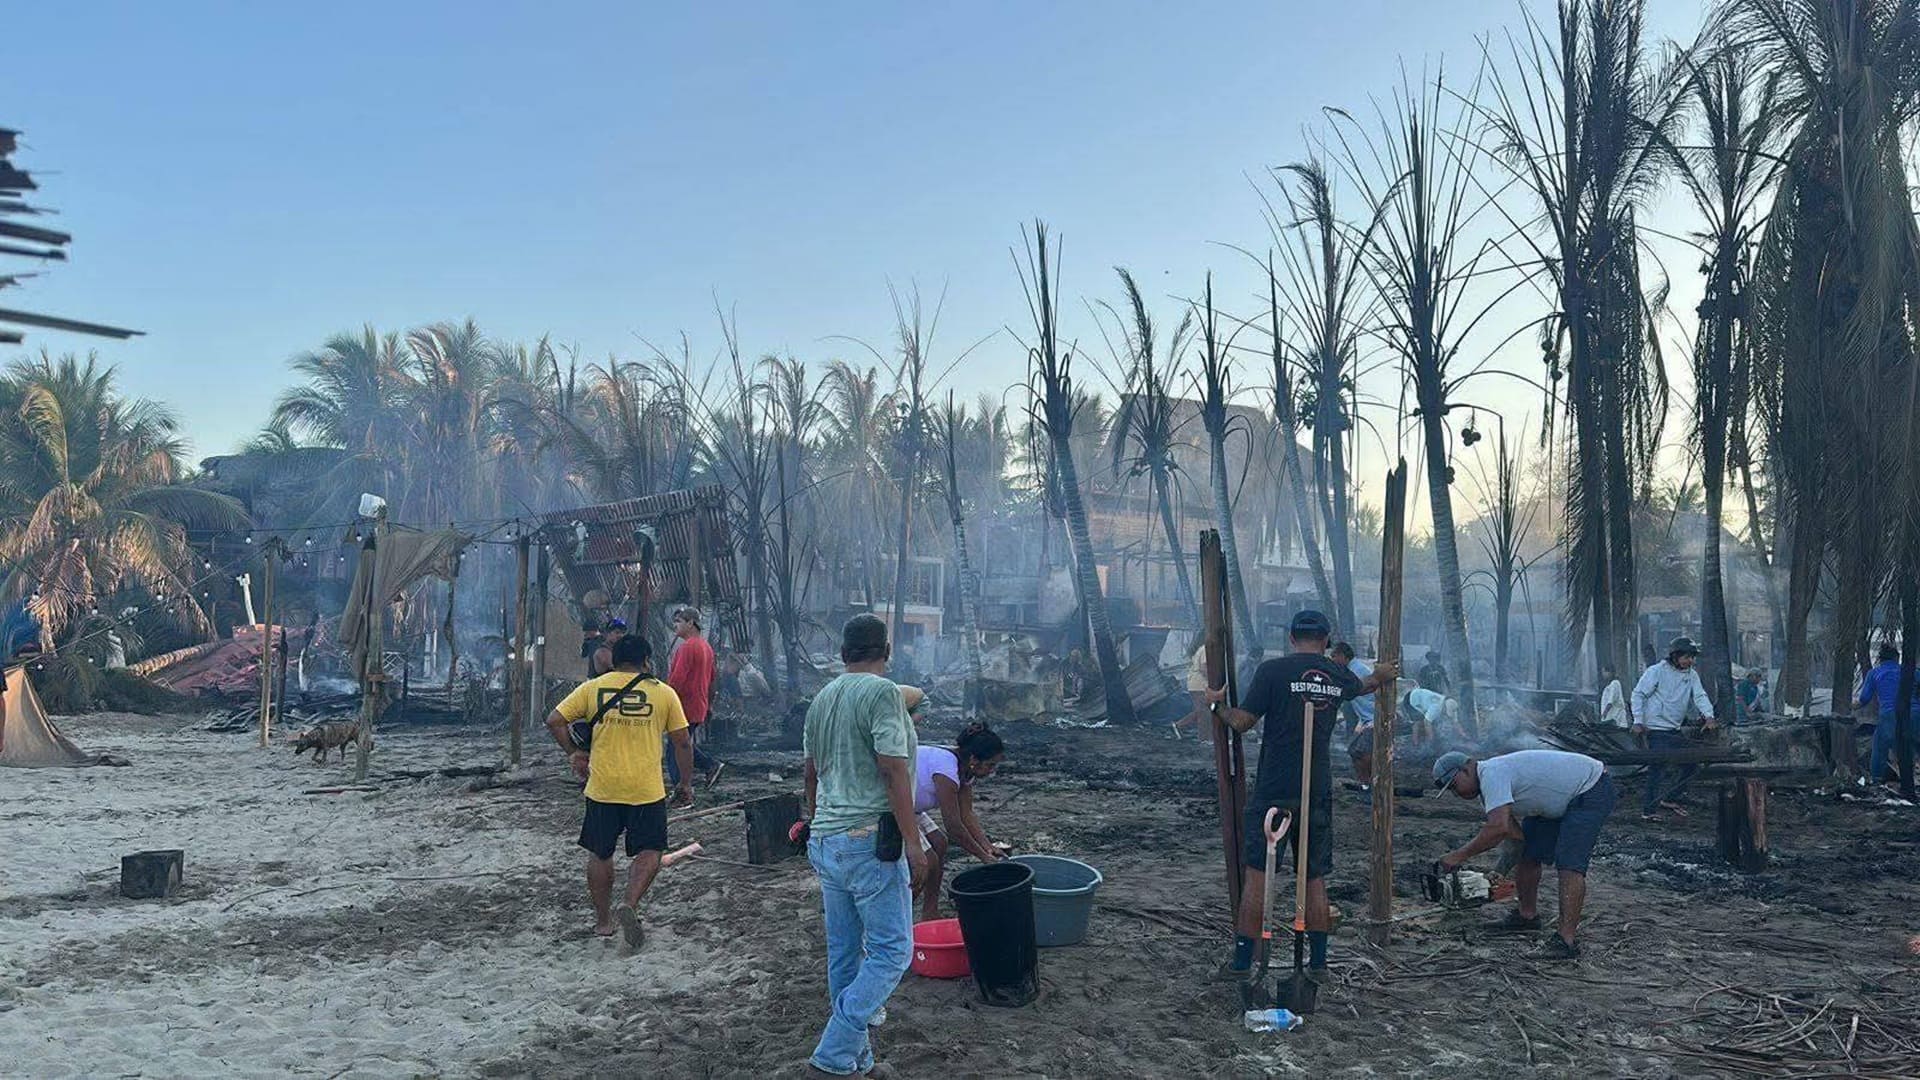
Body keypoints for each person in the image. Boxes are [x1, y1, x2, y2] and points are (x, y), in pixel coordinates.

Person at [1205, 610, 1397, 982]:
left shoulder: (1273, 672)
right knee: (1314, 878)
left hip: (1275, 788)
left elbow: (1242, 723)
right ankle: (1319, 965)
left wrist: (1216, 704)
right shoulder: (1336, 674)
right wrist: (1384, 674)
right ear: (1326, 641)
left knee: (1259, 876)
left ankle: (1242, 965)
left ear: (1291, 638)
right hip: (1317, 789)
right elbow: (1366, 684)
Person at [800, 614, 923, 1079]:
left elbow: (810, 774)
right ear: (886, 651)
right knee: (893, 952)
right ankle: (834, 1056)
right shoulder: (882, 693)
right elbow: (892, 771)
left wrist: (814, 820)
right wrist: (914, 842)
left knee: (845, 953)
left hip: (828, 838)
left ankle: (858, 1060)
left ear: (843, 653)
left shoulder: (822, 699)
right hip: (869, 839)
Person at [543, 633, 694, 948]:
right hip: (646, 789)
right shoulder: (663, 693)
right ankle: (630, 903)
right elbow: (682, 742)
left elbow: (554, 719)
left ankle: (603, 922)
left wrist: (573, 752)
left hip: (602, 787)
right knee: (651, 850)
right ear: (647, 660)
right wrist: (684, 783)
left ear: (614, 660)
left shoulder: (593, 688)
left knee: (600, 853)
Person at [1433, 749, 1616, 960]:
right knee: (1529, 854)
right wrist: (1497, 874)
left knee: (1569, 864)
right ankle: (1526, 916)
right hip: (1560, 798)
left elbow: (1497, 828)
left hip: (1590, 788)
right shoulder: (1488, 789)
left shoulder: (1492, 773)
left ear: (1466, 769)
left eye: (1454, 786)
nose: (1457, 794)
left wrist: (1457, 856)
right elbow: (1515, 839)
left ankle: (1566, 941)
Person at [912, 721, 1007, 921]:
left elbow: (967, 814)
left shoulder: (965, 770)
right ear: (974, 759)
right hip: (891, 804)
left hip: (913, 806)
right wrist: (983, 857)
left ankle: (929, 913)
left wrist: (987, 846)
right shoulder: (946, 770)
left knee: (939, 842)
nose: (992, 770)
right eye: (990, 764)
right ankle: (898, 917)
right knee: (928, 861)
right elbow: (954, 826)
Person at [1631, 636, 1717, 819]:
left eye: (1693, 657)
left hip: (1674, 730)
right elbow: (1638, 695)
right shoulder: (1656, 671)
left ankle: (1670, 797)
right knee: (1657, 768)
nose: (1691, 661)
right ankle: (1649, 811)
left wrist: (1709, 716)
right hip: (1655, 729)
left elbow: (1700, 696)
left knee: (1691, 764)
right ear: (1675, 656)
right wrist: (1638, 721)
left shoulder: (1691, 675)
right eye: (1687, 657)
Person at [664, 606, 726, 788]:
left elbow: (677, 680)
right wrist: (709, 705)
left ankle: (680, 788)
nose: (675, 625)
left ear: (691, 623)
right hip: (698, 705)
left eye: (679, 622)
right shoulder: (706, 647)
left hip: (684, 705)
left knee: (675, 749)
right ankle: (710, 765)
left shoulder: (687, 648)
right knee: (683, 743)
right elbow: (713, 681)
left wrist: (664, 702)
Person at [1856, 644, 1919, 785]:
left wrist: (1849, 708)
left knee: (1880, 748)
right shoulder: (1911, 671)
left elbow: (1864, 700)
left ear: (1880, 659)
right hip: (1915, 715)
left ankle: (1876, 780)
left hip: (1889, 716)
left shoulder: (1874, 673)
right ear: (1897, 658)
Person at [1331, 642, 1378, 786]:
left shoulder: (1355, 670)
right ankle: (1365, 784)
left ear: (1343, 656)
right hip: (1365, 720)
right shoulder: (1351, 669)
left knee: (1363, 752)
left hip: (1374, 718)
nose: (1332, 659)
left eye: (1334, 656)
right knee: (1353, 750)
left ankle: (1373, 782)